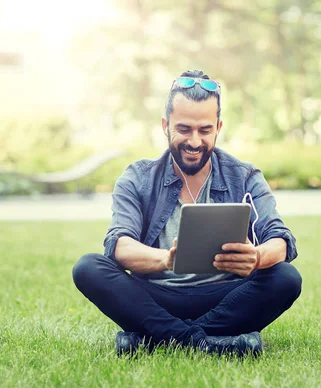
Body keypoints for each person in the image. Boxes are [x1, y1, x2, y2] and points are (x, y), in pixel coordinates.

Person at [72, 70, 302, 357]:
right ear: (165, 125)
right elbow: (119, 245)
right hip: (157, 297)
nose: (194, 141)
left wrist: (256, 258)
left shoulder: (244, 176)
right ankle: (209, 344)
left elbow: (279, 239)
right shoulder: (138, 178)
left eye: (204, 130)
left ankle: (154, 340)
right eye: (184, 129)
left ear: (218, 128)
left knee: (286, 278)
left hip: (226, 297)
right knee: (88, 268)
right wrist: (166, 259)